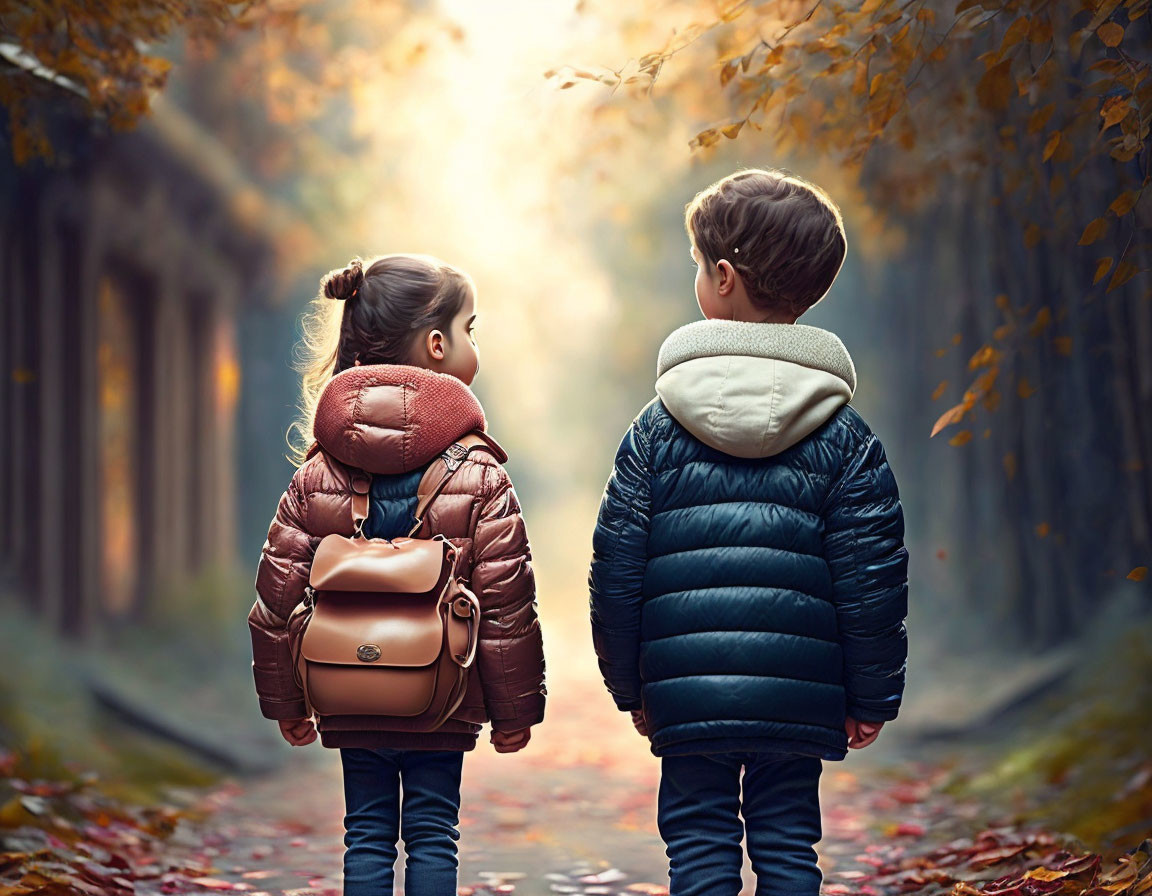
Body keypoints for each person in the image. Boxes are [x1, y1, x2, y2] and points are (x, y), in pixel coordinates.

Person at [588, 167, 909, 896]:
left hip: (687, 689)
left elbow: (617, 570)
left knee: (699, 840)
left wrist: (627, 682)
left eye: (698, 265)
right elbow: (873, 580)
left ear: (724, 277)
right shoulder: (845, 438)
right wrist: (872, 696)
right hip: (801, 695)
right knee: (789, 843)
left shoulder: (656, 429)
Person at [248, 254, 547, 896]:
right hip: (443, 696)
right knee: (435, 831)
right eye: (471, 329)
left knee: (366, 831)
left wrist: (285, 700)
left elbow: (275, 600)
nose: (474, 345)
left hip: (347, 688)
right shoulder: (480, 475)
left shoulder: (317, 473)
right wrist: (515, 711)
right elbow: (506, 606)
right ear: (437, 346)